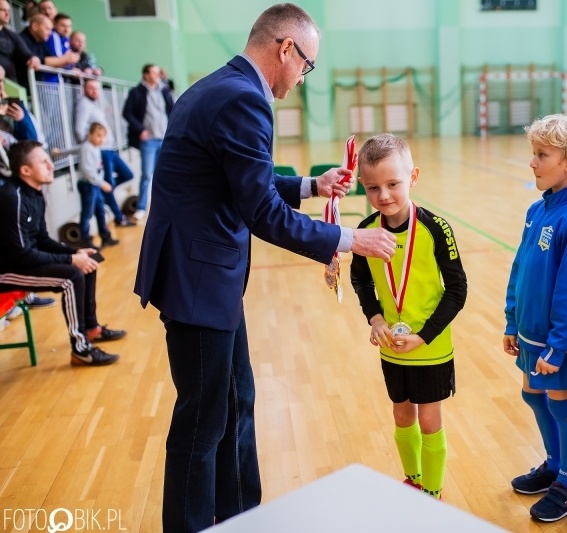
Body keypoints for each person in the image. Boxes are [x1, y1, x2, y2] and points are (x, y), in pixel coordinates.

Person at [133, 4, 397, 531]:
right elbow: (260, 213)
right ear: (285, 49)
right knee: (203, 422)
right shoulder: (243, 100)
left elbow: (237, 179)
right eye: (307, 65)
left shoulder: (220, 86)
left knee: (236, 399)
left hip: (204, 275)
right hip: (199, 279)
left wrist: (309, 186)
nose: (303, 77)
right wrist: (347, 238)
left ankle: (239, 516)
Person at [350, 134, 467, 500]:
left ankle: (432, 490)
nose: (383, 195)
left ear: (413, 177)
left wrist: (425, 335)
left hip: (429, 346)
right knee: (402, 416)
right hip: (392, 346)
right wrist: (376, 320)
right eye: (372, 187)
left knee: (430, 420)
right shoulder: (366, 231)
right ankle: (413, 480)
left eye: (393, 184)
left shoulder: (436, 229)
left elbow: (457, 289)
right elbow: (360, 278)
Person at [504, 114, 567, 522]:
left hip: (554, 340)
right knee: (532, 394)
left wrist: (560, 346)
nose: (533, 162)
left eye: (542, 155)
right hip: (528, 329)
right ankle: (553, 462)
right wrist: (511, 319)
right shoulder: (536, 209)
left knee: (560, 403)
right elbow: (520, 267)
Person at [0, 140, 125, 366]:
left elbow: (41, 239)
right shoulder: (12, 198)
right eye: (44, 162)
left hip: (24, 260)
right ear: (25, 170)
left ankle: (91, 329)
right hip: (6, 270)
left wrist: (75, 252)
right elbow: (21, 254)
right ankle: (80, 349)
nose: (51, 165)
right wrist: (70, 259)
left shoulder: (35, 193)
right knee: (72, 276)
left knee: (87, 261)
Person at [74, 78, 135, 227]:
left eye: (97, 88)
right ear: (84, 89)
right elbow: (79, 130)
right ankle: (119, 218)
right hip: (101, 151)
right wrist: (92, 145)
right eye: (91, 88)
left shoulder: (95, 104)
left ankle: (104, 195)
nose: (94, 91)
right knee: (107, 184)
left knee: (127, 174)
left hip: (110, 149)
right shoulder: (83, 105)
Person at [122, 63, 174, 221]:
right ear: (145, 74)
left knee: (166, 173)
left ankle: (167, 206)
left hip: (165, 138)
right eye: (154, 73)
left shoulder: (164, 90)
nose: (157, 75)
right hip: (149, 140)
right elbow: (127, 113)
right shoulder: (137, 92)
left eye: (158, 73)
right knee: (146, 175)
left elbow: (173, 109)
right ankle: (142, 207)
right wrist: (140, 130)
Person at [76, 122, 118, 249]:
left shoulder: (94, 147)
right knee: (87, 213)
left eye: (103, 136)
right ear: (90, 135)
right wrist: (102, 183)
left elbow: (73, 149)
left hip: (94, 185)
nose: (102, 139)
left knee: (100, 211)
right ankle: (85, 240)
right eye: (98, 136)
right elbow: (87, 170)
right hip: (88, 185)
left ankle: (104, 236)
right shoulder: (87, 148)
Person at [0, 0, 40, 87]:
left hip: (11, 84)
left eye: (9, 11)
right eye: (3, 10)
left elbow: (25, 53)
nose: (7, 14)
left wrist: (33, 58)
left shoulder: (12, 36)